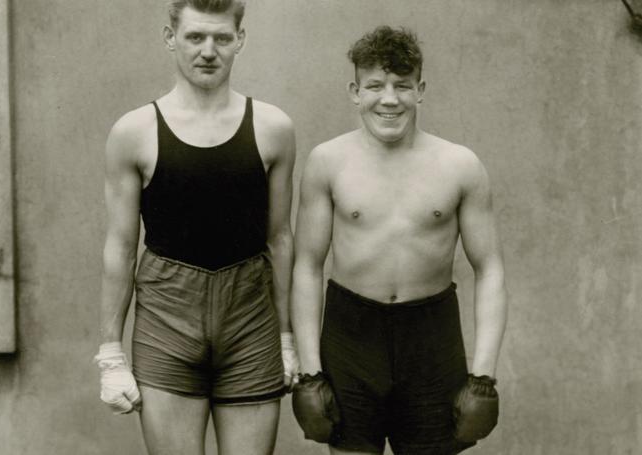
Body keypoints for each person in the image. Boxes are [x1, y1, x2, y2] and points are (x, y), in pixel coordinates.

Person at [291, 26, 507, 455]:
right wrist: (310, 372)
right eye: (375, 85)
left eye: (402, 86)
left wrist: (483, 377)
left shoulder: (460, 165)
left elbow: (491, 268)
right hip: (350, 337)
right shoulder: (327, 162)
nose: (389, 99)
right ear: (355, 91)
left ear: (420, 90)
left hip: (431, 340)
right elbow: (307, 266)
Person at [94, 1, 298, 454]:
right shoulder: (134, 131)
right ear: (171, 39)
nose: (209, 51)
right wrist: (110, 352)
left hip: (249, 316)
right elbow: (121, 246)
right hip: (168, 315)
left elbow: (281, 238)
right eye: (195, 37)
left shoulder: (273, 128)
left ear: (240, 41)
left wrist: (287, 336)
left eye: (222, 38)